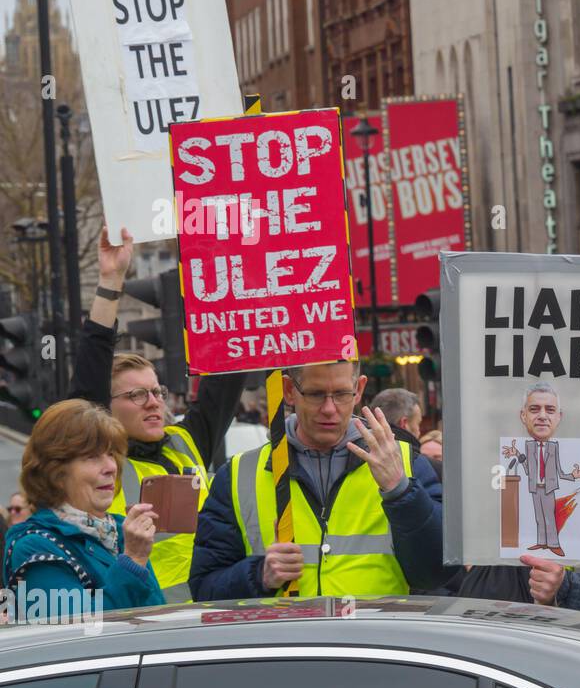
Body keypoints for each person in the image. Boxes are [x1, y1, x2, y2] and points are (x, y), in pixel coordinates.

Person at [68, 227, 246, 602]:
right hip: (145, 624)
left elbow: (227, 375)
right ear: (106, 407)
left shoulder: (185, 440)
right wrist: (111, 281)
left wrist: (232, 267)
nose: (153, 402)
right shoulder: (99, 456)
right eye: (136, 395)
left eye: (156, 391)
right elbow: (91, 366)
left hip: (210, 616)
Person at [189, 361, 443, 599]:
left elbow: (436, 574)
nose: (329, 408)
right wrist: (259, 575)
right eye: (316, 394)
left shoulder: (407, 463)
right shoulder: (237, 474)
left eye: (342, 394)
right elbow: (203, 589)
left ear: (359, 390)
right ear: (289, 390)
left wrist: (401, 492)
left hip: (372, 644)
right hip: (284, 644)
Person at [2, 400, 164, 618]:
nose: (110, 467)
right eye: (92, 457)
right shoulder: (35, 546)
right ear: (56, 473)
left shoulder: (119, 530)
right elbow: (82, 634)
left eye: (110, 453)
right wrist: (133, 560)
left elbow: (157, 617)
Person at [502, 383, 580, 558]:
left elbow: (559, 472)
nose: (542, 416)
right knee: (539, 517)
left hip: (549, 488)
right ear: (523, 415)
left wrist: (575, 476)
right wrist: (517, 454)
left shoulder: (555, 448)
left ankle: (554, 544)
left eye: (549, 410)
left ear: (559, 416)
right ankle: (542, 542)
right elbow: (527, 468)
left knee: (549, 517)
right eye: (534, 409)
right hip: (534, 487)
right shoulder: (527, 447)